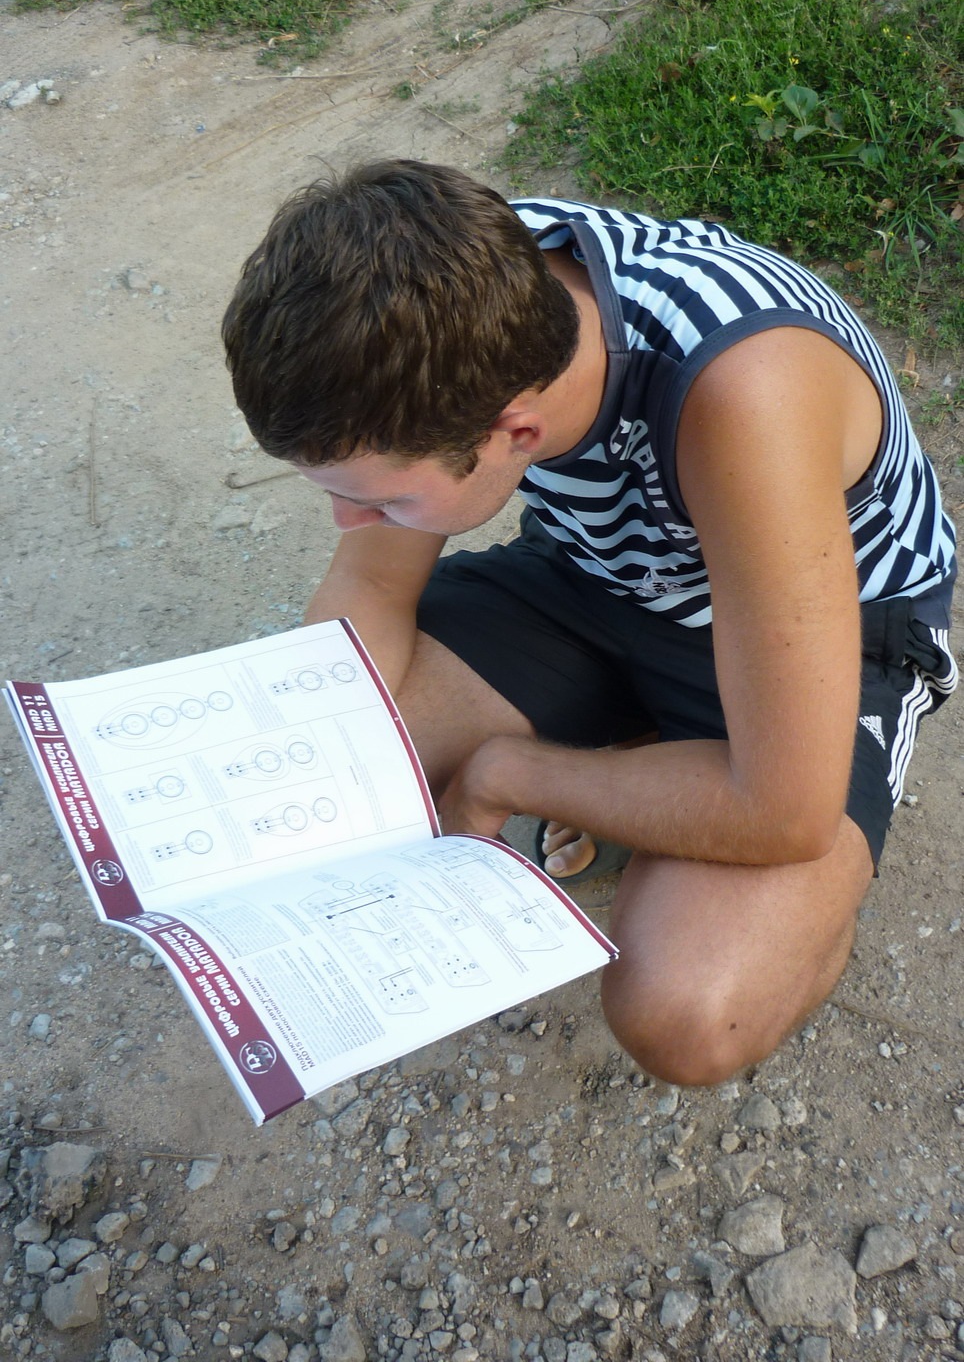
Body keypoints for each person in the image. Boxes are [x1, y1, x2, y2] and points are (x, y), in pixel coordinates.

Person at [222, 159, 958, 1086]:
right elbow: (368, 592)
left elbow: (785, 811)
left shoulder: (744, 392)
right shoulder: (448, 297)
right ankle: (648, 760)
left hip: (822, 623)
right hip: (598, 570)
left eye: (383, 500)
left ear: (517, 432)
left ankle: (764, 863)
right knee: (343, 767)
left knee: (691, 1014)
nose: (347, 521)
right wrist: (303, 756)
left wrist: (509, 773)